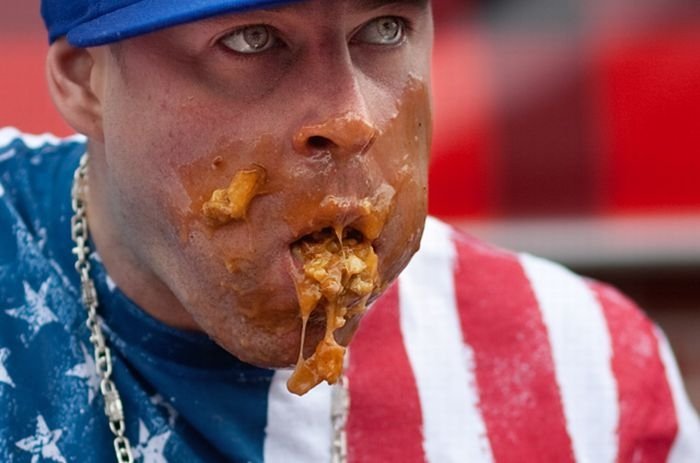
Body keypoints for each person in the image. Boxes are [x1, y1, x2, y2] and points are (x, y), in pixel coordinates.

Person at [0, 0, 698, 461]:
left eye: (385, 27)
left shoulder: (588, 369)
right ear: (83, 81)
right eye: (252, 39)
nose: (350, 118)